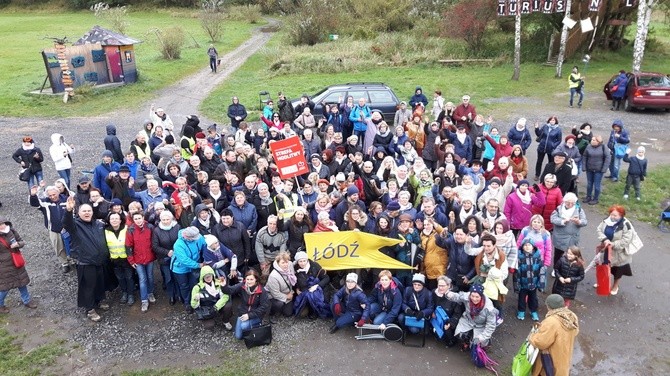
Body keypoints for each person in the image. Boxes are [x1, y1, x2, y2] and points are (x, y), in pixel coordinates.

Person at [63, 196, 113, 322]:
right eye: (84, 211)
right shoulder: (75, 225)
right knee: (88, 286)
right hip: (86, 262)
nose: (87, 213)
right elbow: (66, 223)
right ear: (78, 213)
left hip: (99, 261)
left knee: (100, 283)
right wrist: (68, 211)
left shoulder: (97, 224)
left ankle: (99, 301)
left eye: (89, 211)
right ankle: (90, 309)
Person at [528, 294, 580, 376]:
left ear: (549, 306)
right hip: (564, 356)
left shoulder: (551, 321)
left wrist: (532, 336)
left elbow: (540, 342)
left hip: (549, 360)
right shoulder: (571, 316)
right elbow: (575, 332)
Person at [30, 184, 73, 273]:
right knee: (58, 246)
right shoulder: (45, 202)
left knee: (72, 245)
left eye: (54, 194)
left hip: (69, 228)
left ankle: (73, 259)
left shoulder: (66, 199)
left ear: (58, 192)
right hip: (54, 229)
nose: (52, 197)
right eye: (50, 195)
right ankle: (64, 263)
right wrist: (33, 195)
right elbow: (35, 204)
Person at [0, 216, 38, 314]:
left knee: (22, 282)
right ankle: (0, 305)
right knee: (4, 287)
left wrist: (18, 244)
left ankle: (27, 301)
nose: (2, 226)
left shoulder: (11, 231)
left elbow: (21, 241)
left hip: (16, 262)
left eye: (2, 223)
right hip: (4, 267)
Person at [596, 205, 636, 295]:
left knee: (617, 271)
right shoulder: (606, 220)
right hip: (606, 250)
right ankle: (603, 283)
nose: (612, 217)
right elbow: (599, 230)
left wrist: (612, 244)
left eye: (615, 215)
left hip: (619, 253)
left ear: (621, 215)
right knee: (604, 267)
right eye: (611, 214)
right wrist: (605, 239)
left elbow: (626, 240)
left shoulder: (626, 225)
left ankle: (615, 286)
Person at [222, 269, 270, 340]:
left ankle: (257, 325)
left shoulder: (262, 291)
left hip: (256, 315)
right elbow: (230, 290)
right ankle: (248, 328)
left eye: (251, 279)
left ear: (256, 280)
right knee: (238, 337)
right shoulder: (242, 286)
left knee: (244, 326)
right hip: (243, 313)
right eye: (247, 279)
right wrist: (224, 286)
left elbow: (264, 307)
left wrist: (249, 316)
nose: (249, 281)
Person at [446, 284, 497, 348]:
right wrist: (450, 295)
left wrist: (483, 336)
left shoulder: (489, 308)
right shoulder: (467, 296)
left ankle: (486, 344)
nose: (474, 299)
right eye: (472, 296)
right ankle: (466, 342)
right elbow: (458, 297)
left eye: (477, 297)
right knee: (460, 335)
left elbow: (491, 325)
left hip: (481, 325)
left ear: (481, 296)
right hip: (468, 320)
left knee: (480, 342)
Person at [126, 212, 156, 312]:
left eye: (140, 218)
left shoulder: (150, 227)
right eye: (136, 219)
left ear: (143, 218)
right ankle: (144, 300)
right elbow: (128, 246)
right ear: (133, 220)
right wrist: (131, 260)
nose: (138, 220)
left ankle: (150, 292)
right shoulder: (131, 230)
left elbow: (154, 242)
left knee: (150, 276)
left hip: (149, 258)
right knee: (142, 279)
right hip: (138, 259)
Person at [172, 226, 207, 313]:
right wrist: (198, 265)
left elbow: (204, 245)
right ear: (187, 237)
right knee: (184, 286)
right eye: (194, 239)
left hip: (195, 265)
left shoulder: (198, 237)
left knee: (194, 284)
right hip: (180, 268)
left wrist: (205, 257)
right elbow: (184, 260)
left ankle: (195, 301)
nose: (197, 239)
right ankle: (187, 303)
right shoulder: (178, 244)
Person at [550, 192, 587, 273]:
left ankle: (568, 269)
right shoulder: (559, 209)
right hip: (560, 237)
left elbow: (585, 222)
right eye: (568, 202)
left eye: (572, 203)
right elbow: (553, 219)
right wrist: (562, 221)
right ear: (564, 201)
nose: (570, 204)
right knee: (558, 255)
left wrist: (578, 221)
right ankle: (555, 269)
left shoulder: (579, 210)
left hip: (573, 238)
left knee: (571, 255)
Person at [190, 265, 233, 330]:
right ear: (202, 277)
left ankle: (226, 321)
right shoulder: (197, 288)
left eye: (209, 275)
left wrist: (216, 307)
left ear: (213, 275)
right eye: (206, 276)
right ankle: (211, 318)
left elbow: (226, 296)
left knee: (228, 305)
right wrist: (195, 299)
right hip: (207, 309)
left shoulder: (219, 283)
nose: (208, 278)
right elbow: (194, 306)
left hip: (217, 306)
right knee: (209, 326)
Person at [152, 210, 181, 305]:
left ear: (171, 219)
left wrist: (175, 251)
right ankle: (171, 295)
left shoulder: (177, 227)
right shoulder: (156, 230)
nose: (165, 221)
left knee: (177, 276)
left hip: (177, 257)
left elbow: (181, 241)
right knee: (168, 278)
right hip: (164, 258)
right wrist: (167, 252)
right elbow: (155, 246)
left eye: (167, 219)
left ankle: (179, 294)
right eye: (163, 219)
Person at [293, 251, 331, 319]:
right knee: (302, 314)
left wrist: (317, 285)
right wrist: (296, 289)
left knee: (321, 307)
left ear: (307, 260)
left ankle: (314, 310)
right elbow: (294, 282)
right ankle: (310, 308)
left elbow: (326, 278)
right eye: (300, 261)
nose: (302, 263)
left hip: (320, 291)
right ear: (297, 262)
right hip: (306, 292)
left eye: (304, 261)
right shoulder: (295, 269)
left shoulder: (314, 265)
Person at [514, 239, 544, 321]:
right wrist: (517, 284)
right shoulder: (519, 257)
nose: (527, 247)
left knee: (533, 299)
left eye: (529, 245)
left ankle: (533, 311)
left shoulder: (537, 257)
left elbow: (542, 271)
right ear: (522, 247)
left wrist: (541, 283)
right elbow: (517, 272)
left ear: (533, 247)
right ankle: (521, 311)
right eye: (525, 245)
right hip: (523, 284)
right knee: (521, 299)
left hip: (533, 284)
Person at [266, 251, 296, 317]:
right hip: (273, 295)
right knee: (279, 304)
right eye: (283, 263)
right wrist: (287, 297)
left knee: (288, 313)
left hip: (288, 291)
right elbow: (275, 293)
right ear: (278, 263)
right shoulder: (273, 276)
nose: (285, 265)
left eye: (286, 262)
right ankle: (272, 311)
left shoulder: (290, 265)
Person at [582, 135, 610, 205]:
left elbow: (608, 158)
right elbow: (584, 156)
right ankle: (588, 196)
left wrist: (604, 169)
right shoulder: (588, 146)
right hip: (589, 169)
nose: (592, 141)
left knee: (597, 185)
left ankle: (595, 198)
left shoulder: (604, 147)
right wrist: (584, 167)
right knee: (589, 184)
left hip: (599, 170)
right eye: (592, 139)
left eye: (594, 140)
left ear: (598, 141)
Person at [533, 116, 562, 181]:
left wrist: (553, 145)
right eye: (551, 120)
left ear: (556, 121)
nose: (552, 121)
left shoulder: (558, 129)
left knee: (551, 163)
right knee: (539, 162)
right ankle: (537, 175)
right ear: (549, 121)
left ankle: (549, 175)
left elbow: (559, 140)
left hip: (550, 149)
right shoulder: (545, 126)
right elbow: (538, 134)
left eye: (553, 120)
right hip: (542, 147)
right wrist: (536, 128)